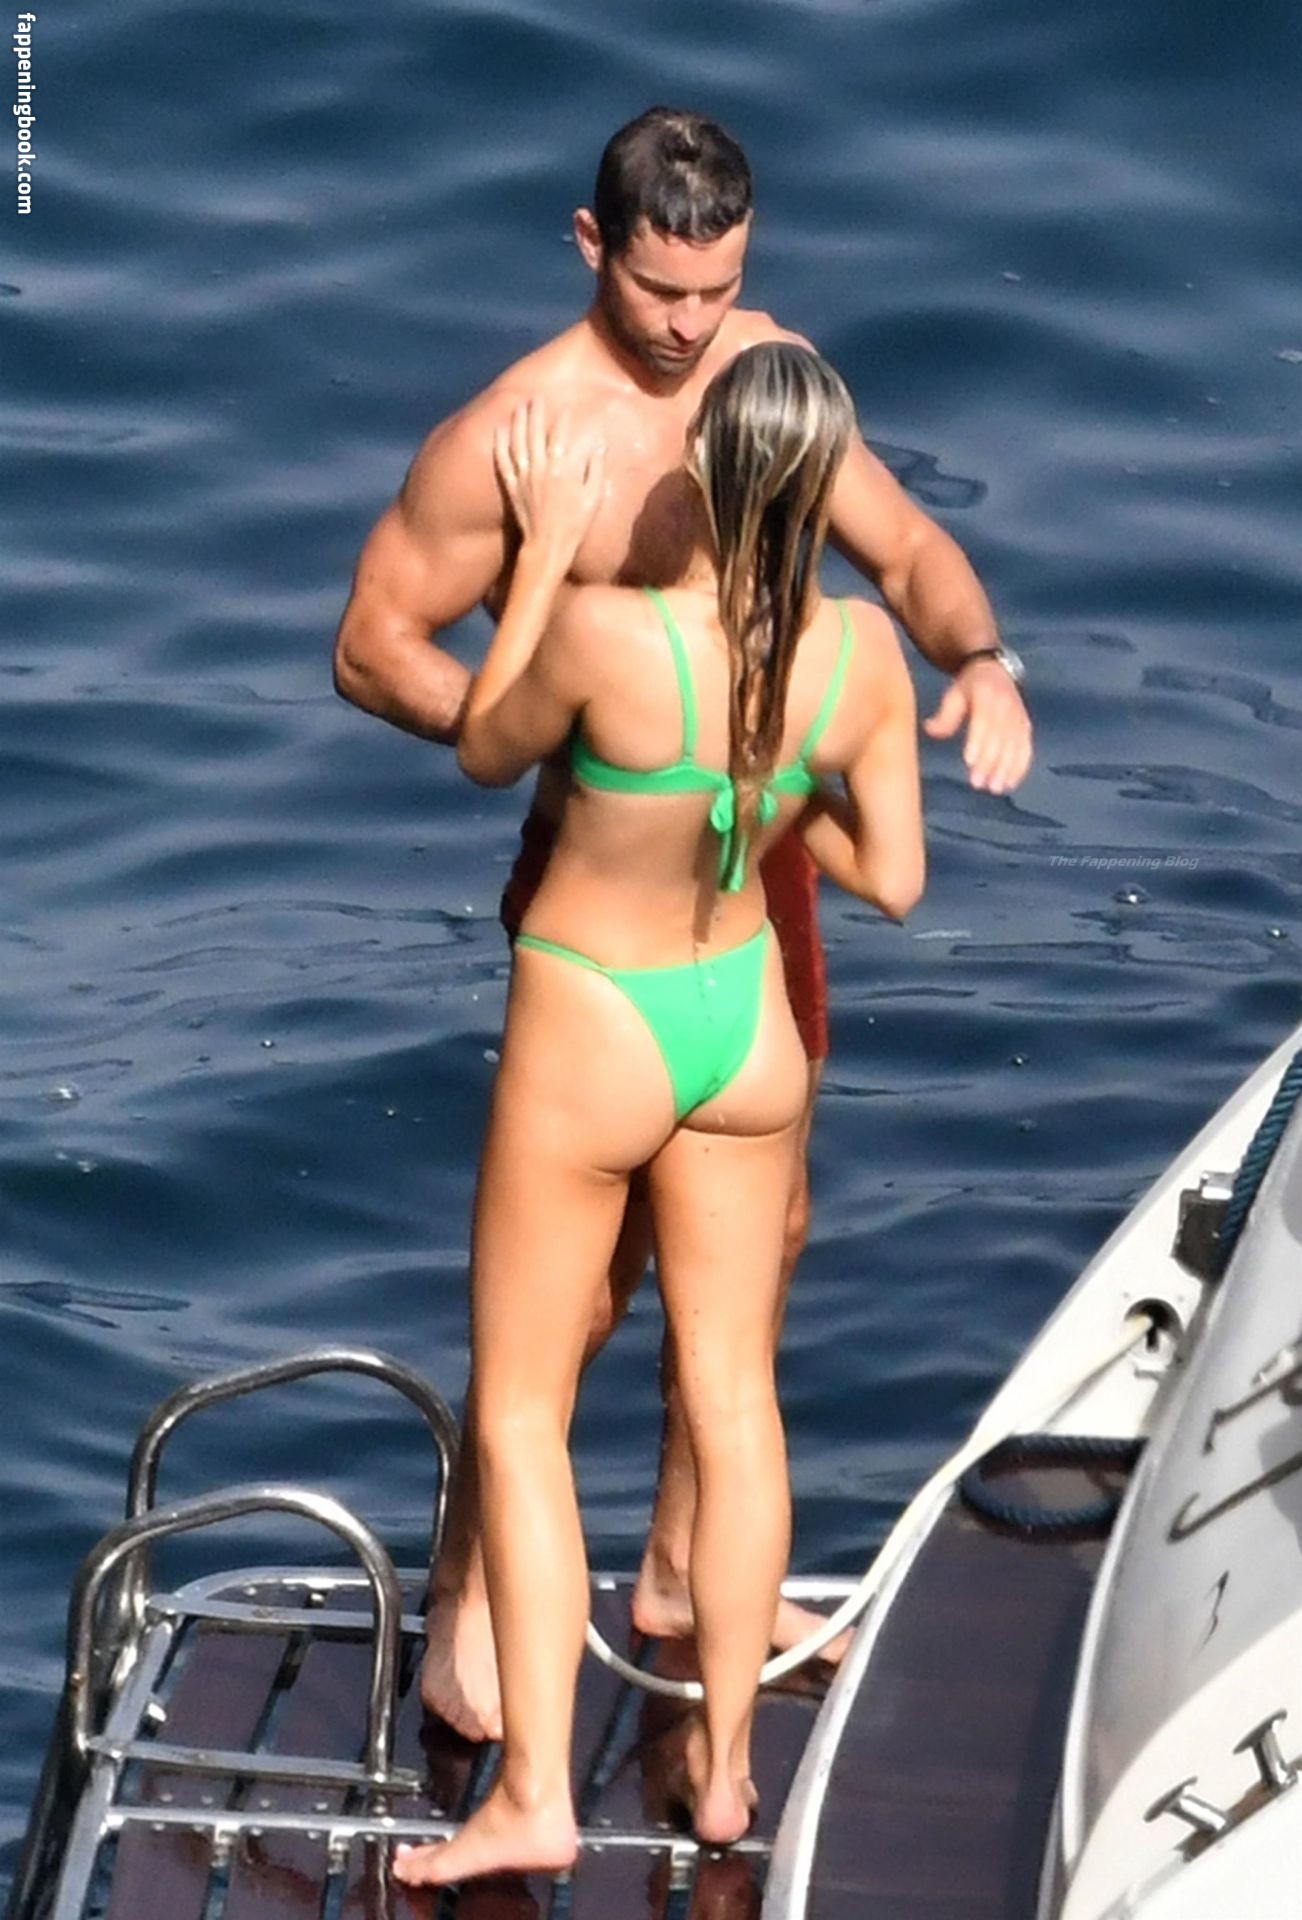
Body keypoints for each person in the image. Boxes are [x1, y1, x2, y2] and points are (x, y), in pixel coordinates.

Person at [334, 106, 1032, 1742]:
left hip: (762, 861)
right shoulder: (515, 433)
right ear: (595, 247)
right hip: (598, 886)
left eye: (716, 291)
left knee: (753, 1243)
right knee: (570, 1294)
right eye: (660, 292)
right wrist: (555, 745)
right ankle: (469, 1608)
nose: (688, 327)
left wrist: (983, 660)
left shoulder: (767, 378)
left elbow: (908, 550)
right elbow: (372, 643)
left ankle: (672, 1566)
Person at [392, 341, 925, 1888]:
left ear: (703, 478)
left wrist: (547, 557)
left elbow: (485, 748)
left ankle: (533, 1799)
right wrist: (770, 786)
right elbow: (894, 879)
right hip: (746, 1032)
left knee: (521, 1412)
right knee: (734, 1398)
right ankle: (728, 1774)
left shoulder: (603, 634)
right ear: (821, 491)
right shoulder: (861, 659)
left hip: (597, 1023)